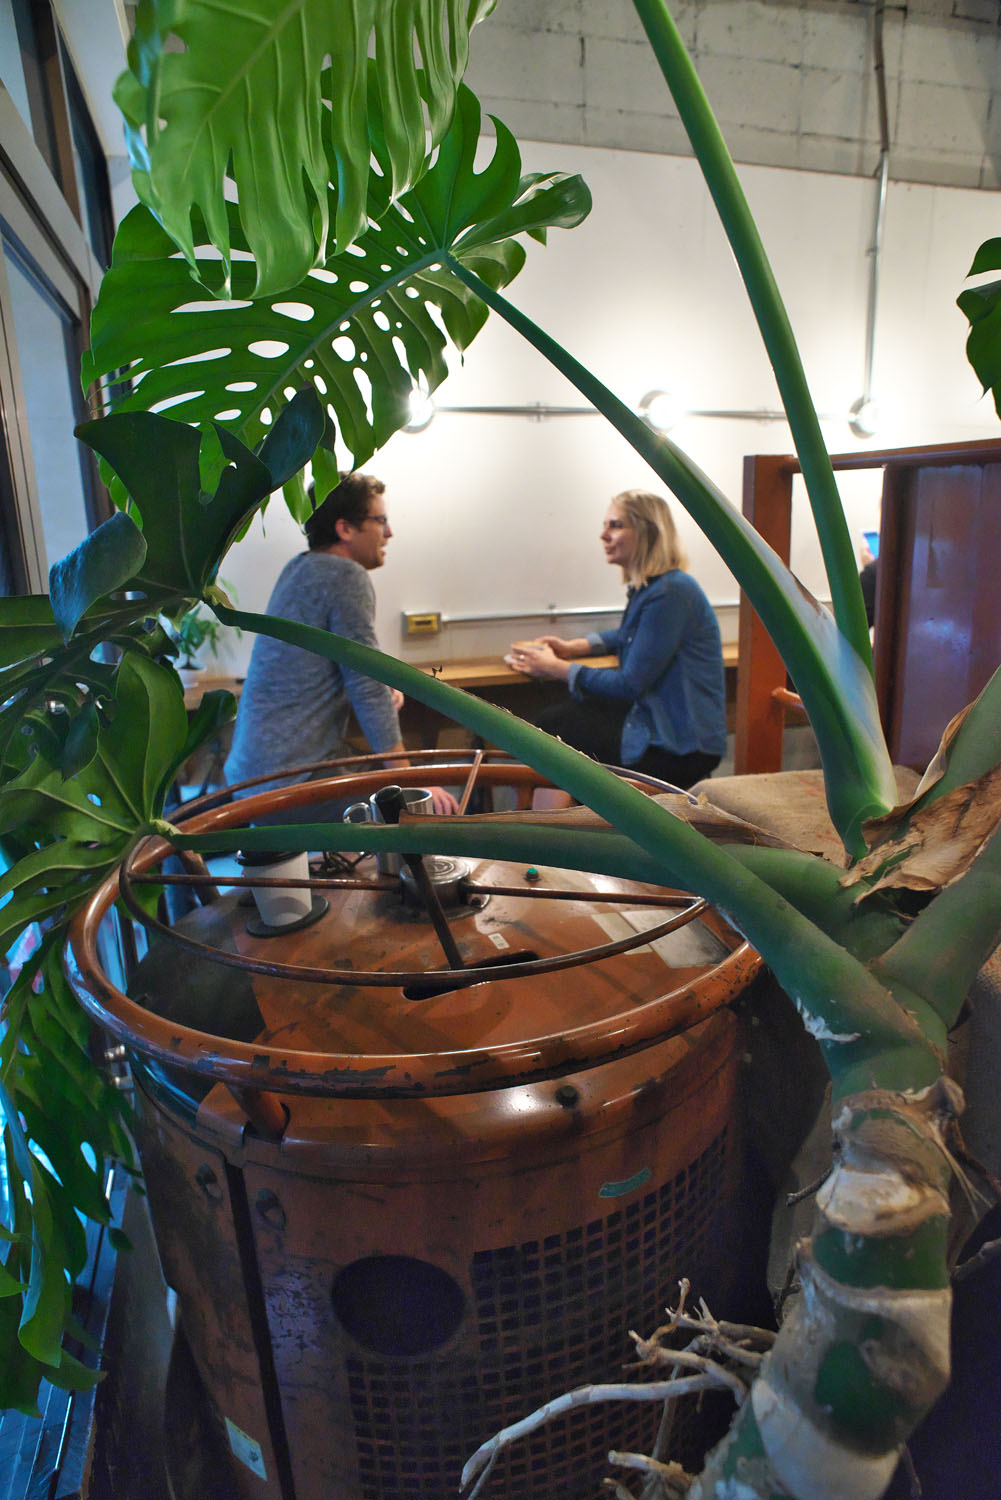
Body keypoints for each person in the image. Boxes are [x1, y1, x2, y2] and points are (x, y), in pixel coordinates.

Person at [224, 472, 457, 815]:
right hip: (287, 781)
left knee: (379, 777)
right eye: (381, 521)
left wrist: (377, 687)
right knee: (418, 807)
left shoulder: (300, 568)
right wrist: (413, 783)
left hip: (252, 774)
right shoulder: (345, 576)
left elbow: (332, 672)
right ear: (345, 528)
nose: (389, 533)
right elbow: (366, 687)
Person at [505, 489, 726, 790]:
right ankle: (565, 815)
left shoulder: (670, 593)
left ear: (647, 532)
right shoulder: (654, 588)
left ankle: (558, 819)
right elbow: (630, 635)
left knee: (554, 728)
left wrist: (554, 667)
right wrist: (576, 646)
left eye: (616, 525)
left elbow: (629, 684)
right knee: (562, 719)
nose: (604, 535)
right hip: (661, 723)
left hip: (680, 745)